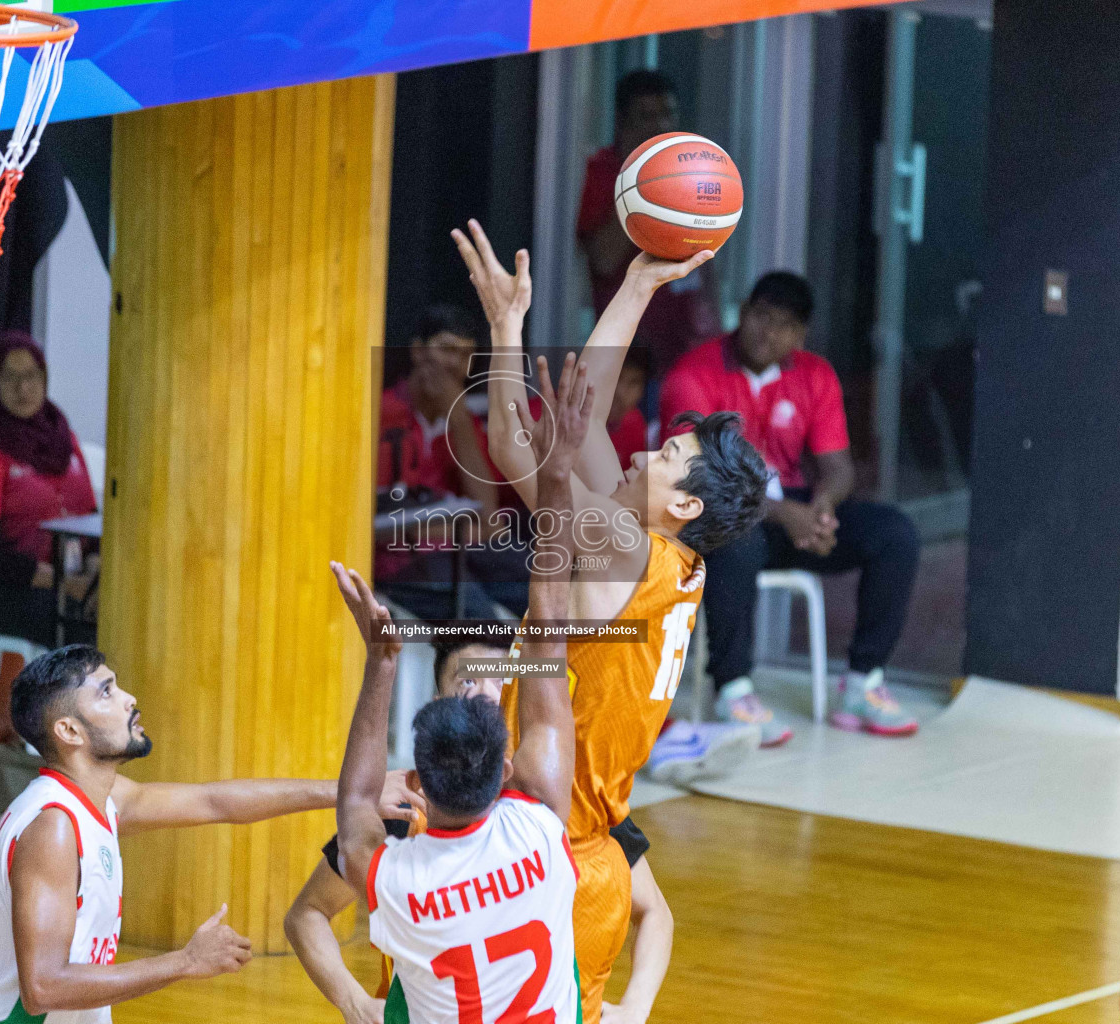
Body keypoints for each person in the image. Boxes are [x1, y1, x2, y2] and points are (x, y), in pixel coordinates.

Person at [453, 221, 771, 1022]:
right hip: (591, 838)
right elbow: (579, 426)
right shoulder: (669, 561)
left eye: (665, 457)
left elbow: (523, 436)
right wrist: (636, 286)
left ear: (686, 505)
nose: (642, 453)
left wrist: (505, 330)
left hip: (546, 851)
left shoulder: (623, 543)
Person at [0, 645, 420, 1024]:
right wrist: (186, 961)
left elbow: (218, 802)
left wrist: (353, 795)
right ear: (70, 730)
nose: (130, 698)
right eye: (107, 692)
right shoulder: (52, 828)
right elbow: (44, 989)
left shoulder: (104, 800)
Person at [331, 349, 589, 1023]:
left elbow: (356, 798)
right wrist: (555, 479)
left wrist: (382, 662)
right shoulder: (538, 827)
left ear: (414, 780)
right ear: (507, 766)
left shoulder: (399, 882)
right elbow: (548, 638)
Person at [286, 638, 674, 1024]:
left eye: (503, 677)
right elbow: (308, 913)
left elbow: (655, 910)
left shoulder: (580, 809)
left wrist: (636, 1006)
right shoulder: (413, 818)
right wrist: (352, 1000)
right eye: (468, 682)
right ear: (443, 706)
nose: (486, 692)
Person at [661, 271, 922, 740]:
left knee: (894, 533)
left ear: (800, 335)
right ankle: (733, 690)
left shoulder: (814, 374)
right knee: (734, 539)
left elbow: (838, 467)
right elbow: (701, 478)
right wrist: (789, 515)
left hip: (790, 515)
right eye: (761, 315)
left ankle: (864, 681)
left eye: (783, 324)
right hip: (716, 517)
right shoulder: (693, 375)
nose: (767, 331)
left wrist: (821, 508)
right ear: (742, 311)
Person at [0, 330, 98, 649]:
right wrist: (66, 584)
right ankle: (67, 699)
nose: (23, 388)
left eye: (31, 376)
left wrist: (94, 571)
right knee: (84, 623)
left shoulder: (62, 438)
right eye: (10, 377)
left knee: (132, 605)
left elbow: (90, 520)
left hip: (64, 581)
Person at [376, 304, 531, 621]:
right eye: (446, 349)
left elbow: (490, 518)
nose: (455, 364)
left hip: (458, 549)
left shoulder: (463, 420)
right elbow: (383, 526)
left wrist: (458, 419)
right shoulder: (382, 414)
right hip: (403, 560)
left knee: (549, 591)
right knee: (486, 627)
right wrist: (466, 531)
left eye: (465, 355)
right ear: (418, 351)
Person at [577, 70, 718, 407]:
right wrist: (646, 180)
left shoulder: (691, 169)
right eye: (647, 116)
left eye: (668, 113)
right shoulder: (603, 171)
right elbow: (603, 258)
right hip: (631, 358)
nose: (661, 125)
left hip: (689, 349)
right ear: (621, 121)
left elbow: (708, 252)